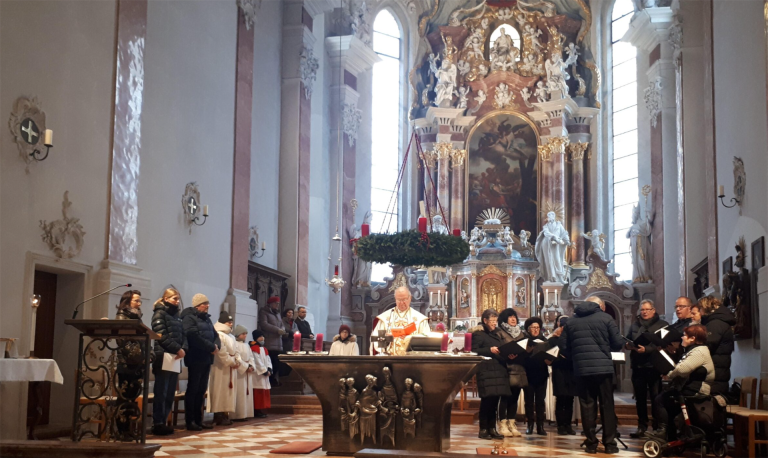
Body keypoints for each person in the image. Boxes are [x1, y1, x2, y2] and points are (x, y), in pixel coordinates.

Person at [561, 296, 624, 454]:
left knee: (587, 406)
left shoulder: (571, 321)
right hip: (603, 369)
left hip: (582, 370)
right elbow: (617, 343)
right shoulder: (606, 318)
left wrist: (577, 358)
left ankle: (591, 444)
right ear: (601, 306)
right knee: (607, 405)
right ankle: (609, 444)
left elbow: (563, 347)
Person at [648, 325, 715, 442]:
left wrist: (669, 374)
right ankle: (670, 436)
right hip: (691, 387)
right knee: (665, 402)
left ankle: (662, 432)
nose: (682, 338)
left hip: (696, 389)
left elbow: (682, 369)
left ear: (692, 338)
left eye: (684, 336)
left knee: (660, 400)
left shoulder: (699, 351)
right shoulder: (696, 350)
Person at [626, 299, 668, 438]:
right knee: (640, 398)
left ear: (653, 310)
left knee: (656, 398)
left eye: (647, 309)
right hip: (638, 366)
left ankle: (658, 426)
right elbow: (627, 339)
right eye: (642, 310)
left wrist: (648, 349)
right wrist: (628, 345)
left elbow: (664, 344)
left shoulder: (662, 325)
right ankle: (642, 426)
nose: (644, 312)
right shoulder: (635, 325)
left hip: (654, 366)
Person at [150, 288, 187, 436]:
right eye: (174, 299)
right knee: (162, 392)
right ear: (166, 299)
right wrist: (177, 349)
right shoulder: (159, 314)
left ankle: (164, 421)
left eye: (178, 299)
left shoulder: (177, 316)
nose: (177, 302)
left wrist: (183, 348)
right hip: (163, 355)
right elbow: (161, 335)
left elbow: (183, 334)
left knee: (170, 392)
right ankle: (158, 423)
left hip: (175, 357)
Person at [181, 294, 220, 431]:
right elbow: (192, 336)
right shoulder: (189, 318)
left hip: (207, 358)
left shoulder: (207, 319)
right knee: (193, 390)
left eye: (208, 303)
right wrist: (210, 347)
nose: (207, 306)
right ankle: (190, 421)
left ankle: (199, 420)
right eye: (205, 303)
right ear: (197, 305)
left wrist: (216, 346)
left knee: (201, 390)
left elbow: (216, 336)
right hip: (195, 357)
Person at [471, 309, 511, 440]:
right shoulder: (479, 334)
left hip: (499, 370)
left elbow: (502, 349)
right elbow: (474, 351)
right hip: (486, 370)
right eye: (492, 321)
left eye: (496, 321)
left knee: (495, 401)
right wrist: (489, 350)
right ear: (485, 321)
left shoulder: (498, 333)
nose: (494, 323)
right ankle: (483, 429)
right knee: (487, 401)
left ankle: (492, 428)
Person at [114, 290, 146, 439]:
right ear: (127, 302)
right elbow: (123, 341)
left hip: (138, 363)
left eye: (139, 301)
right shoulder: (122, 317)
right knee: (124, 398)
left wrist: (147, 353)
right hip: (127, 363)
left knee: (132, 398)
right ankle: (121, 430)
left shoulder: (137, 318)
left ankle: (129, 430)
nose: (139, 304)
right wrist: (138, 356)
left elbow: (144, 338)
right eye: (136, 301)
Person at [371, 287, 430, 355]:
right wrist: (387, 339)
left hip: (412, 360)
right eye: (399, 300)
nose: (402, 303)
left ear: (410, 298)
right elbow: (376, 339)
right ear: (395, 299)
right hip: (390, 359)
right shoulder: (385, 318)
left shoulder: (420, 319)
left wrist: (408, 338)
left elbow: (426, 339)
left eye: (404, 299)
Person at [495, 308, 526, 437]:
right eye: (510, 317)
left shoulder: (521, 334)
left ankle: (512, 423)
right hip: (505, 367)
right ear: (504, 319)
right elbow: (498, 349)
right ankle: (502, 423)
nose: (513, 319)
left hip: (519, 367)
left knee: (515, 397)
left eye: (514, 316)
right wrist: (507, 355)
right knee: (505, 397)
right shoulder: (500, 333)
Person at [208, 311, 241, 426]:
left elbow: (236, 350)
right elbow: (221, 353)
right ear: (222, 322)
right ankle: (218, 415)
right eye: (228, 322)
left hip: (230, 367)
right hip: (220, 367)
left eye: (231, 322)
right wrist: (232, 362)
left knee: (227, 392)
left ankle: (224, 414)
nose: (231, 324)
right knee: (219, 391)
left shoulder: (231, 336)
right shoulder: (219, 334)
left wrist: (238, 360)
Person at [698, 295, 735, 395]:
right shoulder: (717, 322)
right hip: (717, 372)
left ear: (706, 307)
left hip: (715, 374)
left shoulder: (715, 324)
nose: (699, 312)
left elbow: (707, 345)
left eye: (700, 309)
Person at [549, 315, 577, 436]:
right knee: (561, 398)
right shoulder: (553, 340)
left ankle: (568, 424)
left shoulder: (573, 340)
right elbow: (550, 356)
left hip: (571, 370)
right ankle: (560, 425)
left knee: (570, 398)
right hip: (559, 370)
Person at [523, 316, 549, 436]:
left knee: (540, 401)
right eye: (533, 327)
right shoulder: (524, 340)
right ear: (528, 329)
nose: (535, 330)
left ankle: (540, 426)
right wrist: (526, 352)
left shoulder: (545, 341)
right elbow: (520, 357)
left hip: (541, 374)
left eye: (537, 327)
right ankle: (530, 425)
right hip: (528, 374)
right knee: (528, 401)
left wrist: (550, 360)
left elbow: (550, 355)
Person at [258, 296, 285, 386]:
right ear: (271, 304)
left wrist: (283, 329)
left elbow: (282, 324)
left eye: (278, 304)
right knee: (270, 362)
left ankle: (275, 380)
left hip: (278, 342)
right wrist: (277, 330)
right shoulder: (264, 312)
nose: (277, 305)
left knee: (277, 363)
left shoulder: (277, 314)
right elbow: (264, 324)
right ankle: (270, 381)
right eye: (276, 303)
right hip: (270, 341)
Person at [232, 325, 255, 421]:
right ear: (238, 334)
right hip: (239, 372)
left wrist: (251, 366)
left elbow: (251, 357)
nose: (245, 336)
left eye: (246, 334)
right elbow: (237, 357)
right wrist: (245, 367)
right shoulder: (235, 344)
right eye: (243, 334)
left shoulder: (246, 345)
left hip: (247, 371)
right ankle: (237, 415)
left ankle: (246, 413)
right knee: (240, 393)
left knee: (247, 393)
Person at [250, 330, 272, 418]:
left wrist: (269, 368)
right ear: (256, 338)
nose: (262, 338)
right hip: (258, 375)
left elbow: (268, 360)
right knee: (258, 393)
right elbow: (257, 361)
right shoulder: (254, 348)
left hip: (265, 374)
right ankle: (256, 410)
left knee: (264, 392)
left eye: (263, 336)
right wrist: (264, 371)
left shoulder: (264, 349)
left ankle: (262, 409)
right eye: (260, 336)